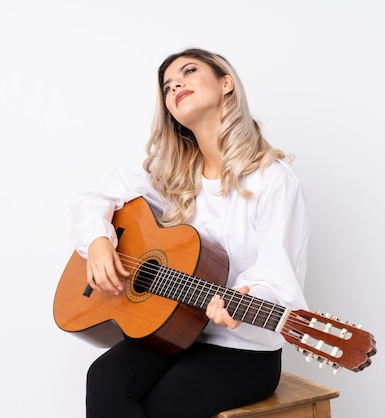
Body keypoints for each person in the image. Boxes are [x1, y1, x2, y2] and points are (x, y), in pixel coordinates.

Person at [69, 47, 309, 418]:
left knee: (162, 405)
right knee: (103, 378)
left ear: (226, 83)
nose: (175, 84)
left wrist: (240, 302)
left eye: (189, 71)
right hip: (173, 334)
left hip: (241, 350)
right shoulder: (173, 176)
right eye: (167, 86)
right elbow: (92, 198)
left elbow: (279, 282)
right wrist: (99, 241)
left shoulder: (273, 181)